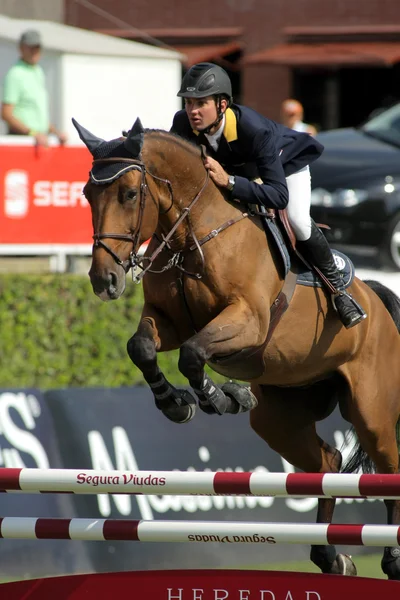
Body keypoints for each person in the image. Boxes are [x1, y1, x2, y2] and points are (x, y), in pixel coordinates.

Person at [170, 62, 366, 328]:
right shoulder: (183, 123)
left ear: (222, 105)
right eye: (189, 103)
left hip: (285, 168)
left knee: (296, 219)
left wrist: (228, 181)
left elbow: (278, 196)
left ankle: (339, 291)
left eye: (201, 103)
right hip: (245, 172)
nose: (192, 111)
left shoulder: (253, 130)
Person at [1, 29, 67, 147]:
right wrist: (32, 133)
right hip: (22, 141)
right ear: (21, 48)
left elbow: (37, 115)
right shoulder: (15, 74)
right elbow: (6, 114)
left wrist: (56, 132)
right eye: (30, 47)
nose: (34, 52)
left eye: (37, 48)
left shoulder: (38, 71)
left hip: (39, 140)